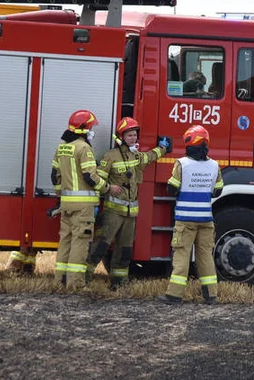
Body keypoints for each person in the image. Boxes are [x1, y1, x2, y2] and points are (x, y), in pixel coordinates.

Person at [84, 117, 171, 288]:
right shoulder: (110, 156)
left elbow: (150, 157)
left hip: (130, 215)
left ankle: (118, 282)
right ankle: (84, 278)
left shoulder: (136, 156)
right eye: (129, 135)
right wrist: (108, 188)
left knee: (125, 250)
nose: (133, 138)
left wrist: (163, 148)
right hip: (113, 213)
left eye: (134, 135)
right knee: (101, 245)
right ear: (121, 137)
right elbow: (97, 181)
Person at [159, 124, 224, 305]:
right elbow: (217, 190)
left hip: (185, 220)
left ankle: (174, 295)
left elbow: (172, 188)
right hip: (205, 219)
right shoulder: (214, 165)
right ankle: (211, 295)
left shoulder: (182, 164)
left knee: (182, 255)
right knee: (205, 256)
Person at [52, 109, 108, 287]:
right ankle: (75, 284)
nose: (93, 130)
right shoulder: (84, 148)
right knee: (80, 243)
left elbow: (55, 175)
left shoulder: (62, 148)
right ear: (84, 129)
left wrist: (60, 195)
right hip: (83, 208)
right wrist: (107, 188)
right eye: (91, 127)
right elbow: (90, 177)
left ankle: (59, 281)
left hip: (66, 204)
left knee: (65, 241)